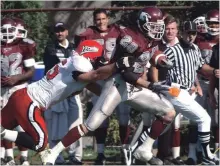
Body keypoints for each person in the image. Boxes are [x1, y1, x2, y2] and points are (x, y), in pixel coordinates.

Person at [41, 7, 177, 165]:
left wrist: (161, 59)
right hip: (118, 85)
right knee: (90, 125)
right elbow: (127, 73)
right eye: (153, 26)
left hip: (134, 88)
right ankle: (53, 152)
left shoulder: (148, 37)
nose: (157, 30)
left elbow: (152, 52)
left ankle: (144, 149)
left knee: (168, 113)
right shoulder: (129, 40)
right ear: (142, 23)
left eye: (159, 26)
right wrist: (151, 85)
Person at [0, 40, 118, 164]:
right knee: (40, 144)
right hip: (30, 102)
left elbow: (93, 86)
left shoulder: (73, 63)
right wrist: (118, 65)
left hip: (21, 95)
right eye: (98, 58)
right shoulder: (81, 64)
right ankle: (2, 132)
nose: (100, 61)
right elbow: (95, 75)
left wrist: (115, 96)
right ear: (90, 55)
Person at [75, 9, 131, 165]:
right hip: (99, 77)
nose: (101, 22)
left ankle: (125, 151)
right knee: (100, 117)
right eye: (98, 19)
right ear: (94, 20)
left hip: (117, 77)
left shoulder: (118, 31)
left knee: (123, 116)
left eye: (103, 18)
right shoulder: (87, 34)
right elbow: (79, 53)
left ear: (108, 19)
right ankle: (100, 153)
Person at [43, 22, 83, 165]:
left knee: (76, 123)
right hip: (58, 92)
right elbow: (52, 70)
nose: (59, 33)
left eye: (62, 30)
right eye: (57, 31)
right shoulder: (50, 48)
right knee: (55, 125)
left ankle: (76, 156)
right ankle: (57, 158)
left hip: (73, 91)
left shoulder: (75, 48)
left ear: (67, 31)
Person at [149, 15, 185, 165]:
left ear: (177, 30)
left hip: (181, 87)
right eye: (167, 29)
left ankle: (173, 155)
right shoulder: (158, 45)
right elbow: (153, 66)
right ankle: (162, 154)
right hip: (164, 87)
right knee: (165, 119)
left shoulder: (183, 45)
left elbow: (191, 65)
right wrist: (156, 84)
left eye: (173, 29)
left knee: (176, 122)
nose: (170, 32)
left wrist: (194, 83)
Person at [1, 17, 36, 165]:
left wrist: (17, 78)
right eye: (3, 30)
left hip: (19, 87)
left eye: (9, 30)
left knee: (21, 124)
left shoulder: (24, 46)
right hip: (2, 89)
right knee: (3, 124)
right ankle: (8, 156)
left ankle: (23, 157)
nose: (6, 33)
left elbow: (31, 71)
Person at [186, 9, 220, 165]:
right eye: (210, 23)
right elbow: (192, 64)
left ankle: (214, 153)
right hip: (199, 82)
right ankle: (193, 153)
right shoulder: (199, 40)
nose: (212, 26)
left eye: (216, 23)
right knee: (196, 119)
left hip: (217, 84)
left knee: (216, 121)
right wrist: (194, 82)